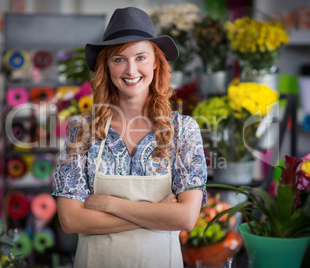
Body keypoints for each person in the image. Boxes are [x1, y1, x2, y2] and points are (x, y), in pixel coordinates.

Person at [52, 7, 207, 268]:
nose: (131, 69)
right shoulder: (82, 131)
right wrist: (159, 213)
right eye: (118, 59)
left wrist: (107, 204)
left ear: (156, 62)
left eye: (141, 57)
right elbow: (70, 221)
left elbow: (186, 218)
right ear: (107, 65)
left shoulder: (183, 130)